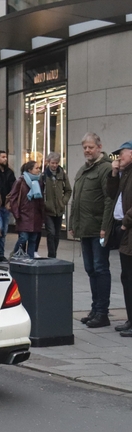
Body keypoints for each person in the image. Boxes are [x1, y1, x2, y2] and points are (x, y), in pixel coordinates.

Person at [69, 132, 113, 329]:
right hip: (85, 229)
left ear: (99, 147)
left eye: (91, 147)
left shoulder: (105, 169)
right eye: (85, 148)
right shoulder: (82, 170)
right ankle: (95, 309)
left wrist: (105, 227)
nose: (87, 150)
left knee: (100, 268)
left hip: (98, 230)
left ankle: (103, 312)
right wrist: (72, 224)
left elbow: (109, 200)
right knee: (90, 269)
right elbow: (76, 200)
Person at [107, 140, 132, 337]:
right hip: (124, 232)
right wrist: (114, 173)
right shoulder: (125, 173)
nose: (118, 159)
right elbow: (112, 193)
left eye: (121, 155)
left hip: (129, 229)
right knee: (126, 277)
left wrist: (126, 221)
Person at [8, 161, 46, 258]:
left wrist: (42, 214)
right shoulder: (20, 181)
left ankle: (30, 259)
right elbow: (13, 197)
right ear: (29, 170)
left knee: (33, 239)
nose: (38, 170)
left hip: (36, 215)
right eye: (36, 168)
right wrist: (16, 213)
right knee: (23, 237)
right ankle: (15, 254)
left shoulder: (39, 182)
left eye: (39, 168)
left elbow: (41, 199)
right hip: (23, 214)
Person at [42, 152, 73, 258]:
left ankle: (53, 254)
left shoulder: (62, 174)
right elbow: (39, 192)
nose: (54, 165)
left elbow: (68, 190)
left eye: (56, 163)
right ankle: (51, 255)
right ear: (48, 162)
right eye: (52, 163)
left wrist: (63, 201)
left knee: (57, 234)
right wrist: (44, 203)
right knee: (51, 233)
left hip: (59, 209)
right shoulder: (43, 175)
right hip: (48, 209)